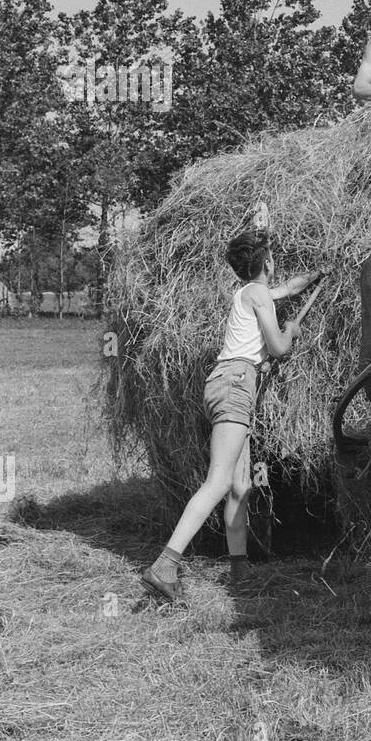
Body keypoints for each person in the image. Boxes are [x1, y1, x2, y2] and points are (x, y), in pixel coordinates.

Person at [141, 229, 324, 603]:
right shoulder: (257, 294)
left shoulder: (249, 292)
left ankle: (239, 573)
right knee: (219, 482)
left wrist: (314, 277)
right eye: (272, 257)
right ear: (267, 263)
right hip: (237, 383)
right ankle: (164, 565)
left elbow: (285, 289)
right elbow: (277, 347)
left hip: (227, 383)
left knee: (241, 486)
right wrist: (291, 331)